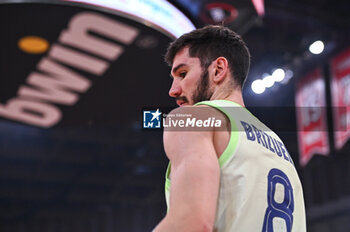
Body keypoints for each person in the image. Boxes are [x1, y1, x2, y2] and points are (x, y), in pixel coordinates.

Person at [153, 25, 306, 232]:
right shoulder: (278, 145)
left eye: (183, 73)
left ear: (218, 70)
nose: (173, 90)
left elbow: (191, 222)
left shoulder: (191, 119)